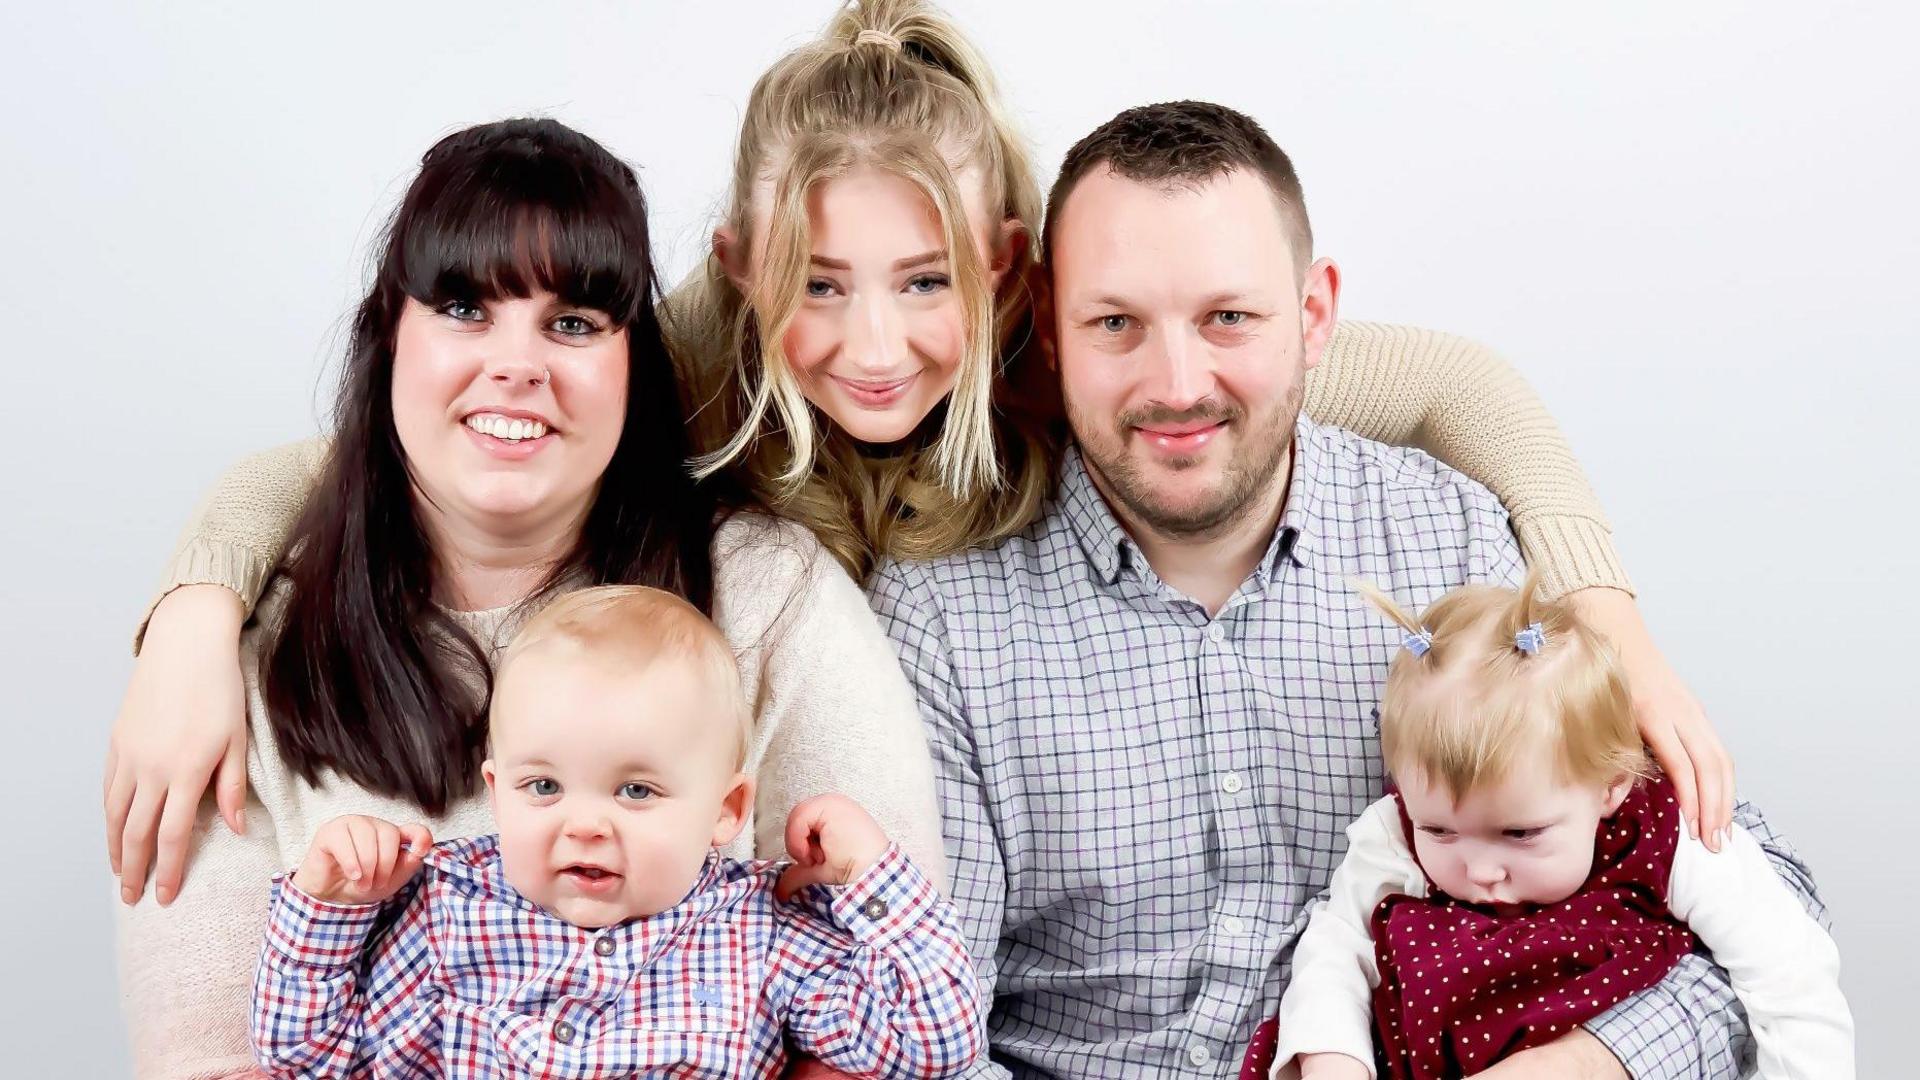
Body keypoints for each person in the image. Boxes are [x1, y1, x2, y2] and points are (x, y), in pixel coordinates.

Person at [109, 0, 1731, 922]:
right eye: (821, 284)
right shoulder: (698, 358)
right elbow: (385, 445)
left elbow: (1453, 381)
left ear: (1006, 266)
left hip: (960, 811)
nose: (874, 349)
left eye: (924, 285)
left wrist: (1607, 604)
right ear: (747, 268)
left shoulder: (1080, 352)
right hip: (750, 815)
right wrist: (195, 612)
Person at [866, 100, 1824, 1077]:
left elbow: (1752, 894)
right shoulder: (946, 613)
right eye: (1116, 322)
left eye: (1228, 318)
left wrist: (1594, 1063)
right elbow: (919, 1036)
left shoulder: (1448, 538)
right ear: (1052, 324)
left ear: (1315, 315)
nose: (1178, 382)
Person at [117, 117, 946, 1080]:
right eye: (464, 308)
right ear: (391, 335)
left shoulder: (769, 596)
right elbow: (215, 1056)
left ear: (635, 364)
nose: (517, 364)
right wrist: (196, 606)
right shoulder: (243, 656)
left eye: (573, 323)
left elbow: (888, 1029)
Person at [252, 586, 982, 1079]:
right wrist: (330, 909)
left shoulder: (761, 931)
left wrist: (873, 877)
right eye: (544, 788)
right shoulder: (448, 910)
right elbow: (313, 1058)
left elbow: (934, 1046)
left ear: (725, 811)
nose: (586, 826)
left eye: (636, 791)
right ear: (496, 794)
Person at [1273, 573, 1851, 1080]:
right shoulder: (1395, 833)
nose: (1481, 870)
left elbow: (1789, 973)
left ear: (1609, 786)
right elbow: (1336, 946)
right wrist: (1333, 1057)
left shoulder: (1661, 835)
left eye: (1521, 834)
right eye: (1442, 832)